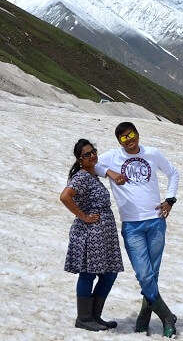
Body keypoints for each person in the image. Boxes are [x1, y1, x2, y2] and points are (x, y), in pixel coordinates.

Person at [95, 122, 179, 338]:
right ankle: (167, 316)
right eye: (124, 137)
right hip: (131, 224)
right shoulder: (112, 156)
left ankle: (144, 315)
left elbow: (173, 173)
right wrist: (109, 173)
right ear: (119, 141)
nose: (129, 139)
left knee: (153, 273)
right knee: (143, 273)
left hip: (156, 221)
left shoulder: (152, 153)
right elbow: (90, 164)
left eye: (131, 134)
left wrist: (170, 200)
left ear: (137, 134)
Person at [60, 139, 125, 331]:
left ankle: (95, 316)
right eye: (87, 154)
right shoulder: (81, 177)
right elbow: (64, 197)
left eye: (93, 152)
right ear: (80, 160)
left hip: (103, 232)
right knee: (88, 274)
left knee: (109, 273)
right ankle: (84, 318)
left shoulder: (92, 174)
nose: (93, 156)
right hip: (90, 232)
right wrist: (84, 217)